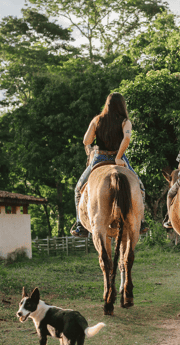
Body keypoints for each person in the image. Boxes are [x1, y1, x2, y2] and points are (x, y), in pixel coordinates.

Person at [71, 92, 148, 237]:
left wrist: (96, 132)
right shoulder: (125, 122)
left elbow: (86, 141)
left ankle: (80, 224)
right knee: (140, 187)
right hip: (119, 159)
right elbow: (126, 139)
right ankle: (141, 221)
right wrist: (118, 157)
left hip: (99, 158)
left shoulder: (97, 120)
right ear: (122, 105)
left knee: (78, 189)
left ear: (107, 104)